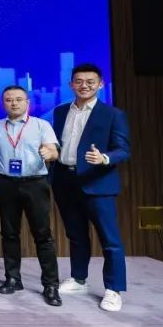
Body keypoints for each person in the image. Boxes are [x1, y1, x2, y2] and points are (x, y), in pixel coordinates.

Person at [52, 64, 132, 312]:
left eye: (90, 81)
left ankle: (114, 289)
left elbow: (123, 150)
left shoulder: (113, 114)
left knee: (110, 240)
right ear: (71, 85)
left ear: (100, 84)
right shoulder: (61, 111)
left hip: (97, 182)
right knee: (76, 235)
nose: (84, 85)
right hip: (65, 180)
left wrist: (104, 158)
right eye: (78, 81)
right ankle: (78, 279)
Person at [0, 85, 62, 306]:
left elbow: (54, 151)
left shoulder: (41, 125)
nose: (14, 103)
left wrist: (49, 153)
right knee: (9, 233)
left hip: (35, 183)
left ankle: (50, 285)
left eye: (19, 99)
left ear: (27, 102)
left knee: (42, 234)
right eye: (9, 100)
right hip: (6, 183)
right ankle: (13, 278)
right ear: (3, 103)